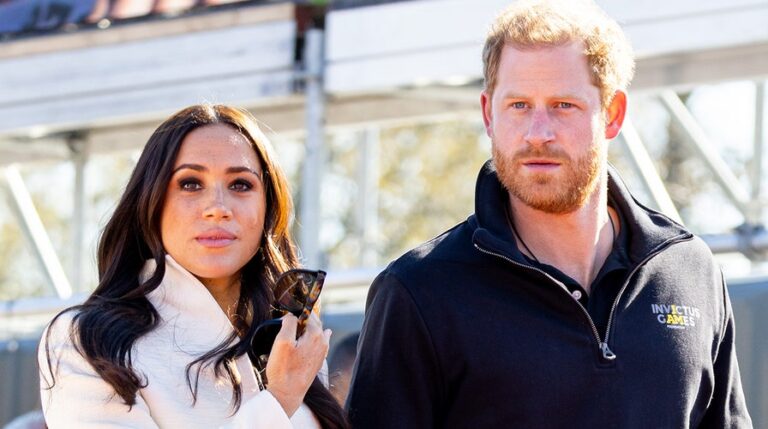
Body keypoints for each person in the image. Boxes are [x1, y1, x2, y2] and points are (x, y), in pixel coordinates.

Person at [346, 0, 753, 427]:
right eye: (519, 105)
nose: (538, 133)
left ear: (613, 114)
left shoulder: (691, 271)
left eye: (563, 105)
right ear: (488, 114)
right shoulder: (419, 292)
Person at [38, 104, 349, 428]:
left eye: (240, 184)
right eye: (190, 183)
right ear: (152, 201)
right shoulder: (88, 339)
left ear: (268, 205)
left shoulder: (287, 335)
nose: (217, 207)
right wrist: (279, 399)